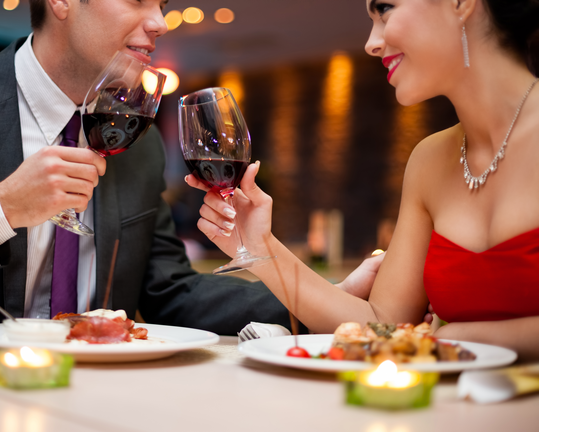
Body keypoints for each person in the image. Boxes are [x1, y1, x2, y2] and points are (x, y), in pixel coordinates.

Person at [0, 0, 383, 344]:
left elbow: (170, 289)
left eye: (162, 4)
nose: (161, 22)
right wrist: (1, 207)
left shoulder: (139, 144)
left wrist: (322, 300)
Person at [187, 0, 539, 361]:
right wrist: (261, 248)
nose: (372, 42)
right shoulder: (429, 159)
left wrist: (463, 336)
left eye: (384, 9)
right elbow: (381, 324)